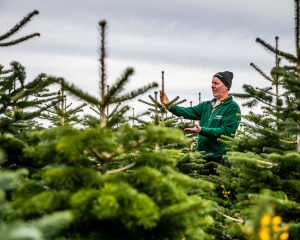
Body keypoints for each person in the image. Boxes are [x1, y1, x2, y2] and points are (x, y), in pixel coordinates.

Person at [160, 71, 241, 175]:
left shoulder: (232, 107)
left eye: (216, 83)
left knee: (219, 190)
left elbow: (225, 132)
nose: (212, 86)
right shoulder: (206, 106)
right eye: (212, 83)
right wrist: (168, 105)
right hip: (202, 158)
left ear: (226, 87)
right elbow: (186, 112)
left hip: (220, 159)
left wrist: (201, 130)